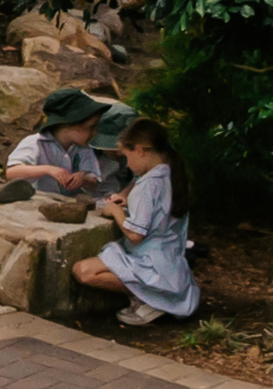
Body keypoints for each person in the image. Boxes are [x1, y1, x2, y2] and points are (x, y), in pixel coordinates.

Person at [64, 117, 201, 328]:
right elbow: (139, 185)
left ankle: (154, 299)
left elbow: (136, 235)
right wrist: (125, 195)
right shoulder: (169, 170)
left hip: (150, 261)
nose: (126, 164)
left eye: (127, 156)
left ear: (140, 150)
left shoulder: (150, 184)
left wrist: (115, 210)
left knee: (83, 271)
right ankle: (153, 297)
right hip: (168, 259)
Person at [0, 89, 122, 210]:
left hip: (71, 204)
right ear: (70, 124)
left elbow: (94, 183)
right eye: (90, 127)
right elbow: (12, 172)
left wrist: (83, 178)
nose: (94, 133)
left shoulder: (84, 148)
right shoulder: (36, 142)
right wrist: (48, 169)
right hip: (38, 204)